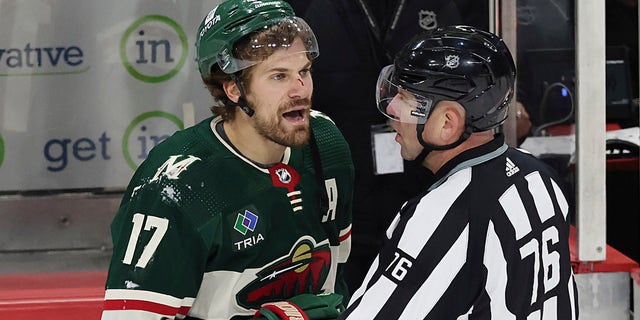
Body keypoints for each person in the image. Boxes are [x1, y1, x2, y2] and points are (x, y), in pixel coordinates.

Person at [100, 1, 354, 319]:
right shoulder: (176, 186)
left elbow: (339, 279)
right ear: (234, 89)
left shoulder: (327, 144)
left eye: (303, 71)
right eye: (278, 76)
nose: (299, 90)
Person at [340, 25, 579, 319]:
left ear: (447, 123)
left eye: (405, 97)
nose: (392, 108)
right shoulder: (539, 175)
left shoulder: (445, 214)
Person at [300, 0, 489, 293]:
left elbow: (470, 79)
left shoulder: (439, 6)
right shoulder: (313, 9)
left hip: (419, 177)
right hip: (341, 181)